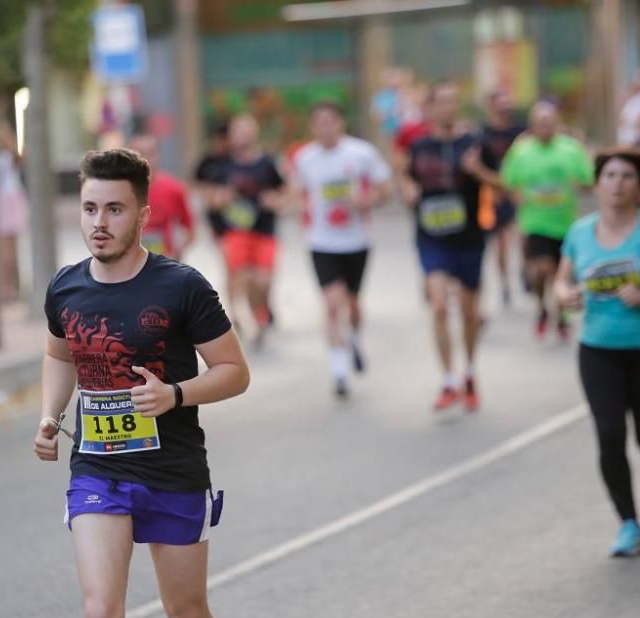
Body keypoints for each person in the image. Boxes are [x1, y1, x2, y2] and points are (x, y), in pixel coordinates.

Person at [34, 148, 250, 618]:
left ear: (143, 216)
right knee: (100, 614)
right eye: (90, 209)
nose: (99, 223)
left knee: (188, 614)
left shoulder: (182, 285)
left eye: (114, 209)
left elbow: (235, 372)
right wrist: (50, 414)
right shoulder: (66, 287)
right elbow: (58, 354)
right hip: (97, 469)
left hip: (172, 469)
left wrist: (174, 394)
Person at [555, 147, 640, 557]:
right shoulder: (579, 232)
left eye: (627, 176)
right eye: (609, 175)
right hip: (598, 349)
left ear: (639, 186)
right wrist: (566, 295)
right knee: (610, 436)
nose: (617, 184)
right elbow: (561, 281)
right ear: (598, 183)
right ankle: (629, 525)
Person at [399, 81, 499, 411]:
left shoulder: (474, 143)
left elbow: (501, 183)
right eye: (441, 102)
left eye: (453, 102)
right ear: (430, 108)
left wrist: (477, 170)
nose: (447, 108)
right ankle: (447, 380)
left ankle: (469, 372)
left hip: (468, 237)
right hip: (431, 237)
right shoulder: (420, 145)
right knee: (440, 306)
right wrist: (409, 189)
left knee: (469, 312)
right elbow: (406, 176)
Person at [291, 101, 392, 397]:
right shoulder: (304, 158)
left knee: (354, 304)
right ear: (313, 127)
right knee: (332, 304)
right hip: (321, 242)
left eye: (330, 121)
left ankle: (355, 338)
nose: (325, 127)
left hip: (356, 241)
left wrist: (366, 201)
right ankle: (339, 373)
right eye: (319, 122)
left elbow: (385, 188)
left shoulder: (361, 153)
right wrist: (297, 203)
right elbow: (296, 193)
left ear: (340, 124)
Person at [501, 101, 593, 340]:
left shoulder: (571, 149)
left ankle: (561, 316)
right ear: (532, 126)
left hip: (565, 224)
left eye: (549, 123)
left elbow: (588, 179)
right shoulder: (521, 150)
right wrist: (516, 196)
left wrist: (579, 184)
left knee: (560, 274)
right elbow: (508, 182)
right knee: (544, 271)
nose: (545, 127)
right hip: (535, 223)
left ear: (558, 123)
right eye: (540, 123)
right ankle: (542, 306)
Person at [197, 114, 285, 346]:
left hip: (264, 231)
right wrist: (219, 198)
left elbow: (285, 192)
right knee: (241, 278)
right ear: (231, 135)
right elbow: (207, 195)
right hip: (234, 233)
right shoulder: (221, 164)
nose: (242, 135)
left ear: (255, 133)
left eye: (247, 130)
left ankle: (261, 313)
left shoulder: (267, 162)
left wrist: (274, 200)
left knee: (263, 282)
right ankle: (249, 321)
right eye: (238, 130)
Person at [480, 90, 525, 307]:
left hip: (519, 191)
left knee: (523, 235)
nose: (503, 109)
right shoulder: (483, 133)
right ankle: (505, 282)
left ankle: (526, 269)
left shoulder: (520, 132)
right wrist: (495, 189)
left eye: (506, 104)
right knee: (501, 241)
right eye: (499, 104)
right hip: (495, 193)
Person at [128, 132, 196, 261]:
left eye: (150, 153)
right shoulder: (118, 191)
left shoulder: (175, 189)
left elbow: (190, 229)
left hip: (164, 262)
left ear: (157, 155)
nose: (144, 158)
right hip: (130, 265)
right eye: (138, 153)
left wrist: (177, 253)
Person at [0, 125, 28, 302]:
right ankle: (10, 287)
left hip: (7, 199)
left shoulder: (4, 156)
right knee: (9, 248)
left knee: (8, 248)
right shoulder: (4, 156)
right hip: (10, 198)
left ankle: (8, 287)